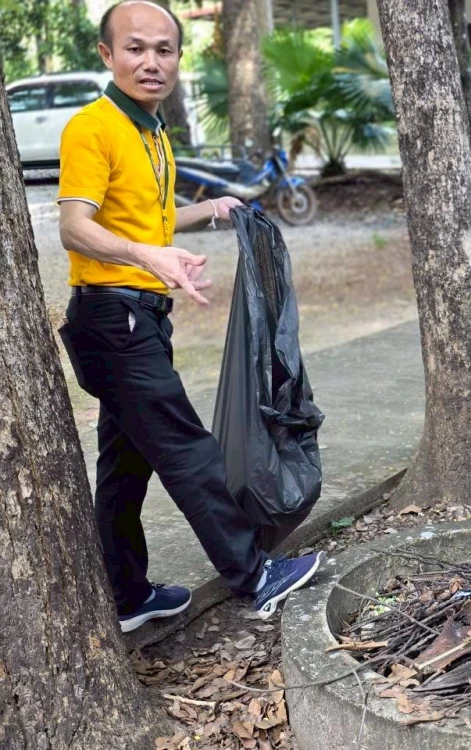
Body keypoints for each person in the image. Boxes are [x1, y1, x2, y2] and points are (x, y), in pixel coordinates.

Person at [57, 0, 323, 633]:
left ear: (178, 57)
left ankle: (125, 596)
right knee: (185, 447)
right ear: (107, 54)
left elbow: (151, 220)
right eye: (136, 48)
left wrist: (214, 209)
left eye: (164, 50)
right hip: (110, 318)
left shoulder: (150, 130)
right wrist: (146, 254)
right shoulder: (92, 127)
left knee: (126, 462)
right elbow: (75, 228)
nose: (151, 62)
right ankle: (254, 575)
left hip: (138, 318)